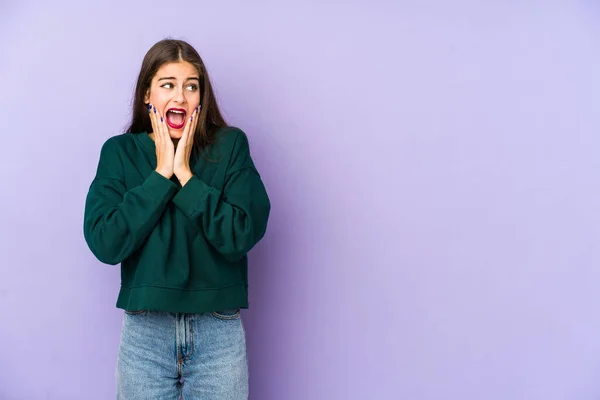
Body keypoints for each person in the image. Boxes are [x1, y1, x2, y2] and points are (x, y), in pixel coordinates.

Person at [83, 38, 270, 400]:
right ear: (147, 96)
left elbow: (240, 233)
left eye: (191, 86)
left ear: (202, 97)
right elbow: (106, 241)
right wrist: (160, 174)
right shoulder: (119, 152)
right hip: (144, 334)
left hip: (218, 331)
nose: (180, 97)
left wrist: (184, 174)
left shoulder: (229, 147)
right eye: (167, 85)